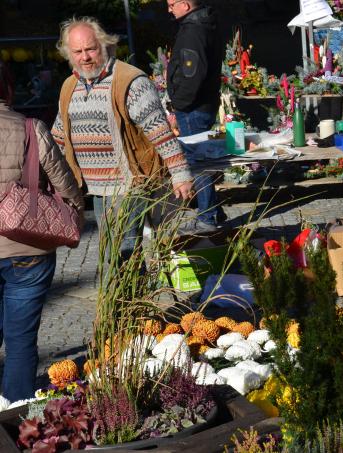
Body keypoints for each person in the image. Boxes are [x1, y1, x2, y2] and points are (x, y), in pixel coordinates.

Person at [51, 17, 194, 261]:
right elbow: (59, 135)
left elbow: (160, 132)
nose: (85, 57)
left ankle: (131, 287)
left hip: (130, 184)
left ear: (104, 45)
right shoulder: (70, 86)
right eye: (78, 52)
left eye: (90, 49)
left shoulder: (131, 81)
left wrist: (181, 174)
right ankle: (132, 286)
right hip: (95, 188)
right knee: (112, 251)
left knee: (124, 252)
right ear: (68, 54)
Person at [0, 62, 83, 402]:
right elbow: (65, 184)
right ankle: (15, 409)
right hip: (28, 249)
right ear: (8, 88)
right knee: (20, 340)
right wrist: (75, 215)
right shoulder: (32, 129)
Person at [167, 0, 225, 233]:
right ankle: (214, 211)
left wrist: (180, 102)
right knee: (203, 160)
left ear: (185, 4)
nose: (169, 9)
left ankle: (207, 218)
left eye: (171, 4)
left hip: (193, 107)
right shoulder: (204, 24)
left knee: (198, 162)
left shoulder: (193, 31)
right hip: (202, 103)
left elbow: (193, 73)